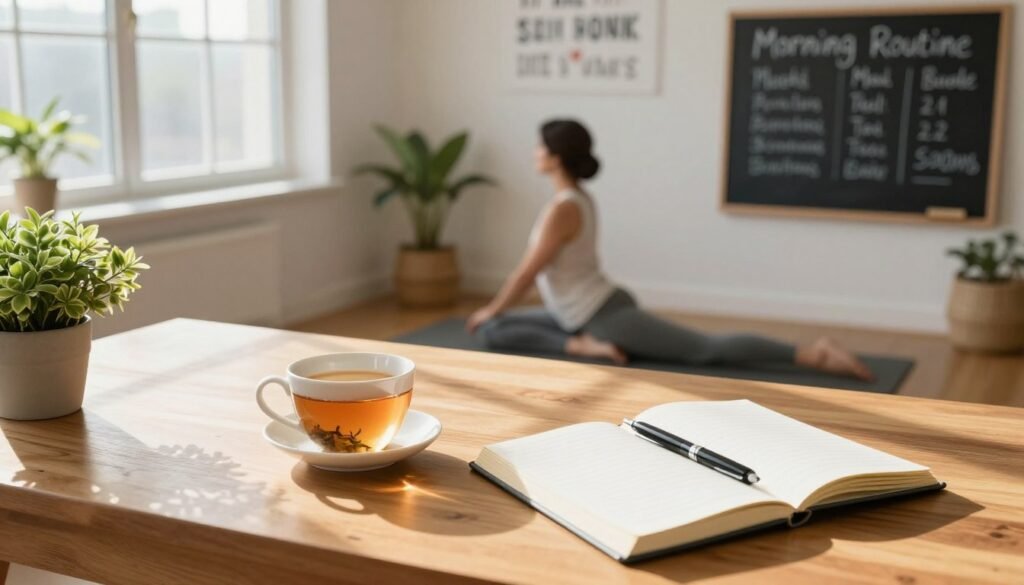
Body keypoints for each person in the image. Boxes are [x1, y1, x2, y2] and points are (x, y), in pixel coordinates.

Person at [465, 119, 873, 381]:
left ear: (554, 158)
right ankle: (581, 345)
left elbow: (526, 273)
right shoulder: (576, 198)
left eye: (540, 148)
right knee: (496, 330)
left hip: (603, 314)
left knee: (704, 350)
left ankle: (813, 354)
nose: (534, 153)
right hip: (574, 315)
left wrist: (492, 305)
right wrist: (494, 314)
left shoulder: (565, 208)